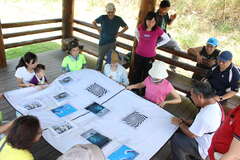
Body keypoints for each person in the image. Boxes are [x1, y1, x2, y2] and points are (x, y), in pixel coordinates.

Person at [171, 82, 223, 160]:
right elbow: (204, 125)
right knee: (181, 129)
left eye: (192, 95)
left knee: (176, 139)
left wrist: (180, 123)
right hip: (212, 136)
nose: (191, 97)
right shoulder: (213, 102)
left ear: (200, 96)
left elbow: (192, 135)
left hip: (204, 147)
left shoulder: (205, 116)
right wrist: (190, 122)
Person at [131, 11, 170, 85]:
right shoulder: (141, 26)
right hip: (139, 54)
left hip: (150, 57)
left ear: (156, 22)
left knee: (147, 74)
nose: (150, 23)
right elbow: (136, 32)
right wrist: (139, 40)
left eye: (153, 21)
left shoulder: (157, 30)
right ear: (146, 20)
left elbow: (167, 38)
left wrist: (157, 45)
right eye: (149, 20)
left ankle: (143, 91)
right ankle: (134, 88)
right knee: (136, 72)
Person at [93, 2, 128, 71]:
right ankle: (97, 71)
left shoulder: (118, 19)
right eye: (108, 12)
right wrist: (98, 29)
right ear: (106, 11)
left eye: (112, 12)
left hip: (112, 42)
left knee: (110, 59)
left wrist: (119, 33)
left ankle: (107, 72)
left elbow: (126, 27)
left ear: (114, 10)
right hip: (103, 42)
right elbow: (94, 22)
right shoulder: (103, 17)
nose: (110, 14)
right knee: (100, 59)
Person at [155, 0, 181, 72]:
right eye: (165, 9)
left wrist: (172, 19)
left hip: (164, 36)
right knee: (176, 46)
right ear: (160, 7)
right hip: (158, 39)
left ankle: (172, 67)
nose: (167, 11)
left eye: (168, 10)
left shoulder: (166, 14)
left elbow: (168, 24)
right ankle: (172, 68)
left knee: (177, 48)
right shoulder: (155, 16)